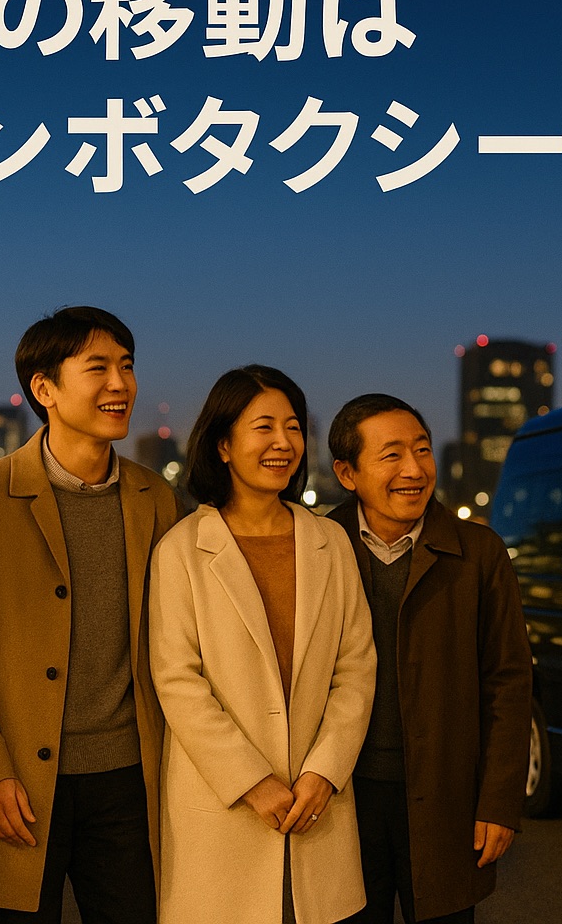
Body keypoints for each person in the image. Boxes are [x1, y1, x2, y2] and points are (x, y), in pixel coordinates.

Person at [0, 307, 180, 922]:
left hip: (129, 778)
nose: (120, 385)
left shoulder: (156, 498)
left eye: (127, 367)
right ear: (43, 389)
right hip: (20, 781)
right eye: (98, 368)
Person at [149, 365, 375, 924]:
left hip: (319, 800)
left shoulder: (330, 540)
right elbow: (177, 681)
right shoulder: (181, 549)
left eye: (294, 427)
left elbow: (356, 667)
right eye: (263, 427)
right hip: (224, 808)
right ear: (223, 445)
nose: (283, 443)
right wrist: (252, 782)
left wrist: (325, 770)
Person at [327, 394, 533, 924]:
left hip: (445, 794)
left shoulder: (479, 552)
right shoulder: (320, 547)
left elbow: (508, 683)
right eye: (391, 455)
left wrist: (498, 801)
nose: (414, 470)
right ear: (347, 474)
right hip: (342, 797)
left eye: (422, 450)